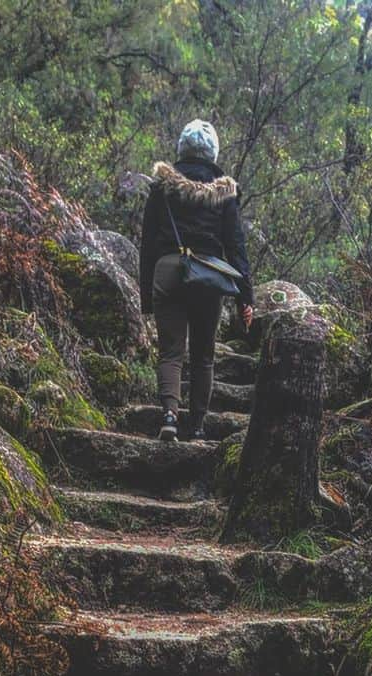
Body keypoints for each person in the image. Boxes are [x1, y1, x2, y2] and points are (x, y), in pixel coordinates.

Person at [139, 119, 254, 441]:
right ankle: (199, 426)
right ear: (213, 152)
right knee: (204, 355)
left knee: (170, 352)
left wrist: (146, 297)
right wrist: (246, 297)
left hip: (167, 270)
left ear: (181, 148)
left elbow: (147, 244)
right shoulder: (225, 193)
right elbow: (236, 247)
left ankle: (169, 417)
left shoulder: (161, 186)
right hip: (208, 274)